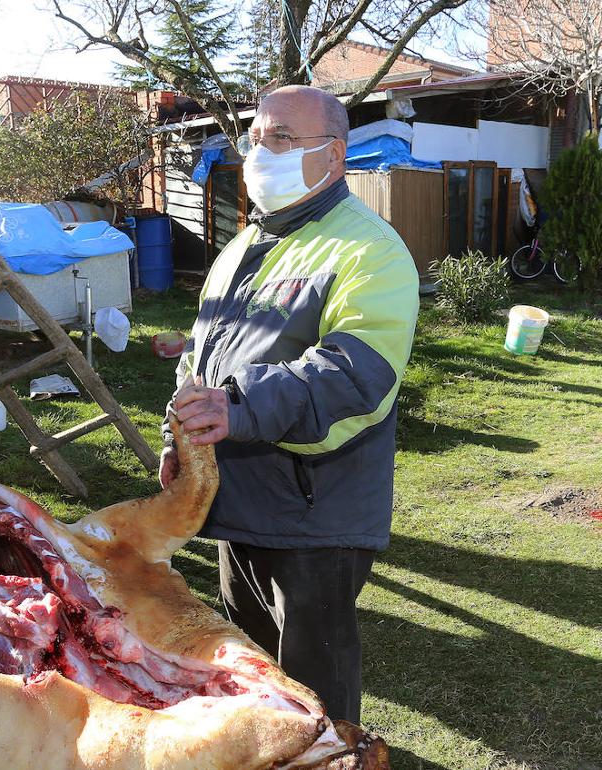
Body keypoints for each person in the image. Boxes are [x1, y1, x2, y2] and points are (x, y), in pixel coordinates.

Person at [160, 85, 419, 725]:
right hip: (236, 496)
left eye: (281, 138)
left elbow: (355, 372)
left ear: (333, 155)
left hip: (314, 510)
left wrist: (237, 406)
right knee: (251, 664)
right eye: (255, 138)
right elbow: (203, 355)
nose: (260, 152)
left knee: (314, 678)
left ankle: (331, 758)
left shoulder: (370, 249)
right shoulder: (243, 245)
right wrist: (180, 440)